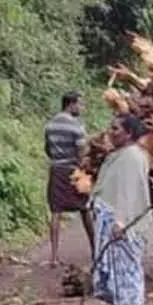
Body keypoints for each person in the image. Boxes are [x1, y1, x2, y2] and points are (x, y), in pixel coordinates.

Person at [89, 115, 153, 305]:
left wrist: (121, 223)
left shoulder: (132, 157)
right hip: (112, 222)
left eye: (116, 129)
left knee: (128, 274)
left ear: (128, 133)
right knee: (117, 276)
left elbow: (129, 193)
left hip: (124, 226)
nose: (111, 132)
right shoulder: (119, 155)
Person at [44, 91, 92, 267]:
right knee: (85, 209)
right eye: (80, 104)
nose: (81, 108)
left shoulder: (50, 125)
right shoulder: (76, 126)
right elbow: (82, 152)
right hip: (74, 172)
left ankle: (54, 256)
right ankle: (96, 250)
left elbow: (47, 149)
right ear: (71, 104)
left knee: (56, 211)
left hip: (56, 170)